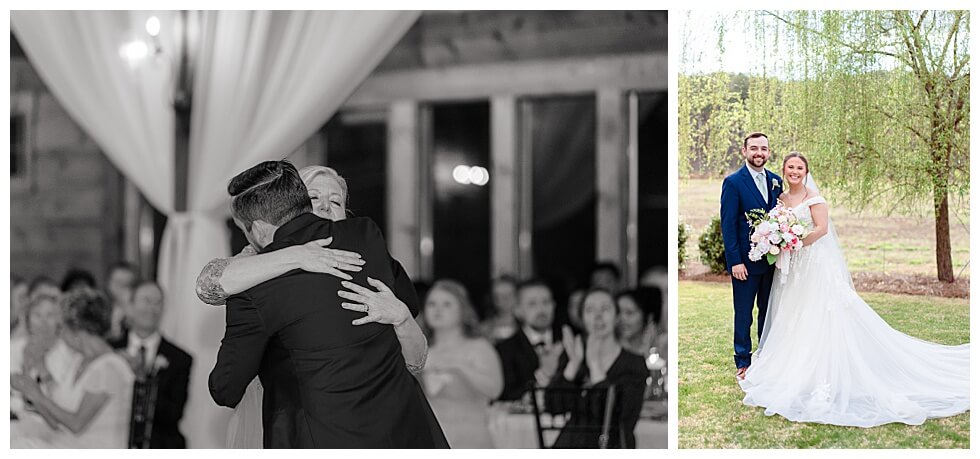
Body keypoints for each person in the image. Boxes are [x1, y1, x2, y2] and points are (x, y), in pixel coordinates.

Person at [208, 160, 447, 448]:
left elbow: (225, 389)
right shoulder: (367, 236)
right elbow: (407, 300)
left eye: (335, 200)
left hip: (318, 437)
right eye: (315, 198)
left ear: (258, 229)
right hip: (402, 432)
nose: (323, 207)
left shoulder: (251, 286)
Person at [739, 153, 970, 427]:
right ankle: (794, 369)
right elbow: (777, 226)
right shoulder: (780, 200)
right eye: (790, 167)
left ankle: (823, 372)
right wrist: (780, 240)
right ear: (784, 170)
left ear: (806, 171)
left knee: (820, 315)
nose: (794, 172)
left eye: (799, 168)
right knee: (793, 315)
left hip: (813, 266)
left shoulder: (815, 199)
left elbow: (822, 230)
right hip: (792, 269)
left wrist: (795, 241)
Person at [11, 289, 134, 448]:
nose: (59, 334)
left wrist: (38, 395)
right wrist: (36, 378)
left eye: (62, 328)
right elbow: (55, 420)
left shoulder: (109, 367)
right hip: (65, 442)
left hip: (92, 448)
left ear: (77, 331)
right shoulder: (78, 360)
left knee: (21, 447)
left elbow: (76, 424)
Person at [547, 288, 647, 448]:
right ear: (582, 319)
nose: (598, 316)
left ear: (617, 317)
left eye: (605, 309)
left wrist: (595, 367)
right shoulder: (573, 355)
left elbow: (623, 419)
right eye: (590, 310)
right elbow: (553, 406)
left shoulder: (634, 363)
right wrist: (572, 365)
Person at [720, 132, 782, 381]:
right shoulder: (734, 182)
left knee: (769, 312)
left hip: (773, 262)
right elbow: (728, 225)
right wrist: (735, 261)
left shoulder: (776, 181)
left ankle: (766, 357)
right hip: (745, 263)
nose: (759, 153)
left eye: (763, 149)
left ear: (768, 152)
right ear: (744, 151)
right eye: (754, 148)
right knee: (744, 313)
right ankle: (743, 360)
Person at [420, 280, 504, 448]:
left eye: (447, 304)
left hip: (470, 439)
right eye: (432, 304)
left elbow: (495, 390)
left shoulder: (478, 347)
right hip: (430, 438)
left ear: (462, 310)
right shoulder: (421, 349)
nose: (437, 310)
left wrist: (460, 368)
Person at [109, 280, 192, 448]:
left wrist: (142, 380)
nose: (152, 309)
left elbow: (173, 414)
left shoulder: (179, 358)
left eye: (158, 302)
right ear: (130, 306)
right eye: (146, 300)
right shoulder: (110, 350)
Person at [10, 292, 83, 425]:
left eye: (50, 315)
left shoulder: (69, 354)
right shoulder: (12, 349)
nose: (43, 320)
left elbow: (64, 403)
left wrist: (41, 366)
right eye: (37, 315)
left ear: (59, 321)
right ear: (27, 320)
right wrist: (25, 367)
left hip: (51, 424)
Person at [495, 278, 563, 401]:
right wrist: (543, 375)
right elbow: (505, 395)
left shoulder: (569, 342)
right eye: (532, 304)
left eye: (546, 302)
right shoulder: (505, 350)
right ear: (518, 310)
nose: (541, 310)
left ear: (554, 305)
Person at [616, 288, 660, 358]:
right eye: (617, 312)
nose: (621, 319)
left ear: (648, 317)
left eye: (629, 313)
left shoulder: (663, 349)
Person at [104, 262, 140, 341]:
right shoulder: (101, 308)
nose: (122, 288)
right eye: (118, 283)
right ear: (108, 283)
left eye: (128, 284)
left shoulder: (139, 310)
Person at [480, 275, 519, 342]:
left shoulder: (528, 323)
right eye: (498, 296)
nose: (503, 300)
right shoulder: (485, 327)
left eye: (508, 295)